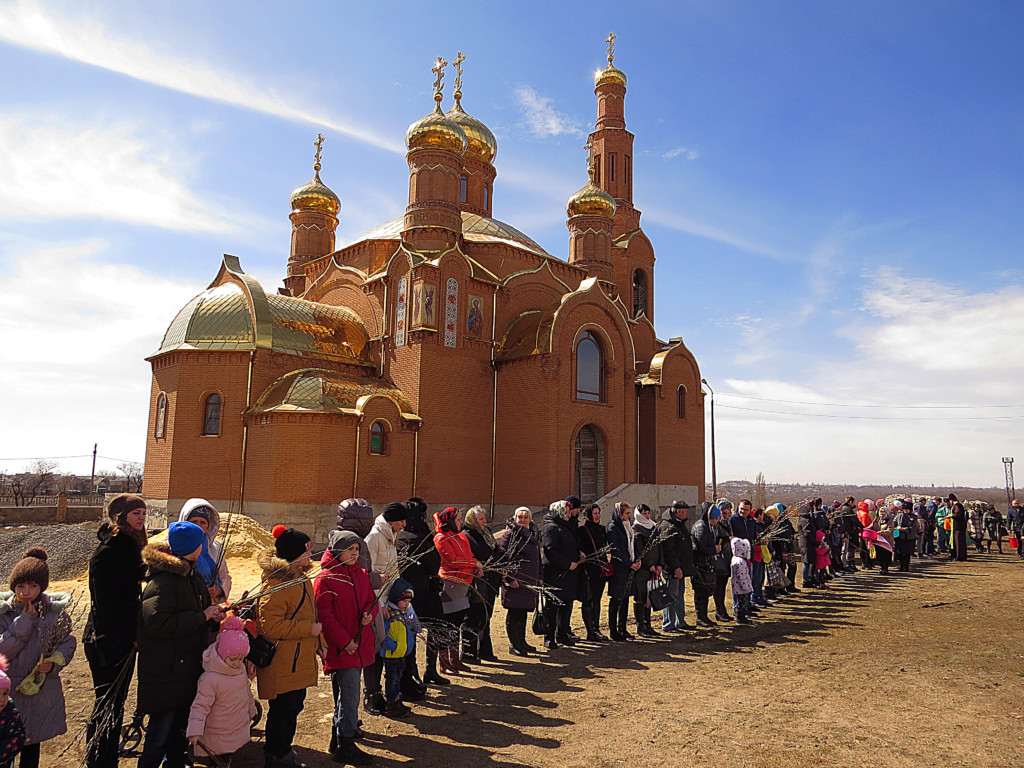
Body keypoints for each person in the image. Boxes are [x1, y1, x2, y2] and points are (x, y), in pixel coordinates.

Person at [136, 522, 222, 768]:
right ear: (194, 547)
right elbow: (157, 624)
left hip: (186, 669)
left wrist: (212, 615)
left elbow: (196, 612)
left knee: (179, 735)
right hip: (167, 672)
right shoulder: (163, 581)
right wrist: (201, 617)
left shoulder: (190, 576)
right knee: (158, 737)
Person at [82, 493, 147, 768]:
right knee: (107, 702)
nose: (142, 518)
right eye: (136, 514)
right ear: (120, 517)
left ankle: (103, 757)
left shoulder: (129, 546)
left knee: (112, 702)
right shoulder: (111, 551)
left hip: (117, 636)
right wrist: (129, 635)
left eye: (144, 513)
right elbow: (107, 605)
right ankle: (100, 760)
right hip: (107, 639)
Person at [0, 549, 76, 768]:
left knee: (32, 741)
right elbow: (3, 650)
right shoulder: (4, 613)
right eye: (21, 586)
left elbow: (68, 641)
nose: (27, 591)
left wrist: (54, 661)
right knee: (6, 742)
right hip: (8, 688)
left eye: (33, 586)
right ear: (13, 586)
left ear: (41, 587)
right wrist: (25, 620)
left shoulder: (54, 612)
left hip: (39, 689)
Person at [255, 526, 320, 768]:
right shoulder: (277, 584)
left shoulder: (302, 579)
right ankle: (275, 754)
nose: (310, 556)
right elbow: (270, 627)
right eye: (305, 551)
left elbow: (311, 615)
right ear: (294, 554)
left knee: (295, 705)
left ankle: (283, 749)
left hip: (299, 657)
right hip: (283, 660)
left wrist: (319, 643)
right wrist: (308, 630)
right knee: (282, 710)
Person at [316, 529, 377, 766]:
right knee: (349, 696)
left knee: (346, 695)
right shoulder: (326, 579)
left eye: (356, 550)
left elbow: (371, 599)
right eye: (350, 550)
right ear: (338, 551)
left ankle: (338, 738)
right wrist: (345, 642)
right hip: (343, 648)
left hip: (360, 643)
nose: (354, 554)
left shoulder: (361, 574)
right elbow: (325, 617)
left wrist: (369, 615)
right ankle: (346, 744)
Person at [186, 616, 257, 767]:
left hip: (234, 726)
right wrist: (194, 730)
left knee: (226, 756)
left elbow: (247, 693)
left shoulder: (240, 670)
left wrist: (251, 711)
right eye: (233, 659)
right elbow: (200, 706)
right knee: (218, 759)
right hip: (217, 731)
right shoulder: (211, 678)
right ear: (222, 654)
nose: (237, 663)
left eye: (240, 659)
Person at [396, 498, 443, 690]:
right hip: (422, 591)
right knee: (434, 627)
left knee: (412, 632)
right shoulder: (420, 537)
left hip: (406, 591)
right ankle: (426, 671)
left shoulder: (398, 536)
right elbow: (434, 564)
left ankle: (416, 671)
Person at [364, 502, 406, 712]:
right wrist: (379, 605)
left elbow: (393, 570)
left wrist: (399, 596)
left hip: (389, 602)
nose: (404, 524)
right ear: (392, 520)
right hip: (376, 604)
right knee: (374, 649)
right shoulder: (374, 538)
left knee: (386, 648)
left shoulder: (391, 538)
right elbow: (369, 575)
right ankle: (370, 695)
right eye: (401, 520)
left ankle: (383, 692)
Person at [433, 507, 479, 671]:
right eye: (458, 519)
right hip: (450, 584)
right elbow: (453, 560)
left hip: (464, 584)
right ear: (450, 520)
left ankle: (455, 658)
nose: (461, 522)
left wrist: (475, 566)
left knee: (457, 622)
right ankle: (444, 661)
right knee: (448, 623)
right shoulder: (441, 538)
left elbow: (468, 556)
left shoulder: (461, 537)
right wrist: (474, 563)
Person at [498, 507, 542, 656]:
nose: (522, 520)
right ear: (515, 518)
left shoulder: (533, 534)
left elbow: (538, 558)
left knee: (523, 612)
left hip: (528, 580)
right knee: (514, 613)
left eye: (525, 517)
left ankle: (521, 641)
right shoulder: (509, 535)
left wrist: (540, 576)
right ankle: (513, 644)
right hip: (515, 581)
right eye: (520, 517)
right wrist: (509, 579)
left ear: (530, 519)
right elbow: (504, 558)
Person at [461, 506, 502, 661]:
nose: (484, 521)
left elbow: (495, 552)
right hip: (476, 584)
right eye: (481, 519)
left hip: (490, 582)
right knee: (472, 618)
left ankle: (485, 650)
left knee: (485, 618)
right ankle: (468, 652)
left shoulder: (486, 534)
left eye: (484, 518)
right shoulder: (466, 537)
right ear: (472, 520)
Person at [540, 499, 582, 648]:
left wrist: (579, 554)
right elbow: (550, 551)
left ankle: (562, 633)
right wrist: (566, 563)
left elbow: (571, 545)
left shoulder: (565, 527)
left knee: (566, 605)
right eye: (567, 511)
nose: (570, 514)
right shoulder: (551, 528)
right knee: (552, 607)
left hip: (569, 574)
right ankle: (549, 636)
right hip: (555, 574)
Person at [178, 498, 232, 602]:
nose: (198, 526)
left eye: (203, 522)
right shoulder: (173, 546)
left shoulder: (215, 548)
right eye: (193, 521)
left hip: (209, 605)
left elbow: (225, 576)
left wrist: (218, 590)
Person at [380, 579, 419, 719]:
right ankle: (392, 704)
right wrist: (393, 646)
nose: (406, 605)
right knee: (392, 678)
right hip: (392, 654)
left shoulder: (405, 613)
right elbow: (383, 634)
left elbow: (411, 628)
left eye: (408, 602)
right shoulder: (389, 613)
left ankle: (397, 700)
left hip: (402, 652)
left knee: (398, 677)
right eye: (404, 601)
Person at [659, 501, 696, 631]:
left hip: (681, 568)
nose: (686, 513)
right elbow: (669, 551)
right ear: (679, 512)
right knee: (671, 596)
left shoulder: (678, 524)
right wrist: (676, 567)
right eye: (685, 510)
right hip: (673, 570)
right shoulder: (668, 526)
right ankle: (669, 624)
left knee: (679, 595)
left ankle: (679, 621)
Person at [606, 502, 640, 641]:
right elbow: (616, 551)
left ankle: (623, 628)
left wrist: (637, 559)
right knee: (616, 599)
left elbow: (632, 545)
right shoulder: (613, 528)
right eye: (626, 513)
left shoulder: (628, 527)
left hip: (629, 568)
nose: (628, 516)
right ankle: (613, 631)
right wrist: (629, 563)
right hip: (619, 569)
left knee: (625, 598)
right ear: (620, 514)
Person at [575, 503, 609, 641]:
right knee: (589, 600)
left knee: (598, 600)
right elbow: (581, 549)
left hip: (600, 569)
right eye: (594, 513)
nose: (597, 516)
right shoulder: (582, 531)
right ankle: (590, 631)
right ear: (588, 515)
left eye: (598, 513)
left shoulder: (602, 529)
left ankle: (596, 628)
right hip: (589, 570)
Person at [631, 504, 662, 637]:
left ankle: (648, 624)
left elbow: (659, 546)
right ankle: (641, 626)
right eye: (644, 513)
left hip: (654, 569)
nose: (647, 516)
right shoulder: (636, 529)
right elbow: (639, 550)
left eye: (648, 513)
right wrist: (649, 564)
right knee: (641, 598)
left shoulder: (654, 527)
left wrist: (660, 564)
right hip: (642, 571)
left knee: (649, 598)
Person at [688, 503, 718, 627]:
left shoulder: (708, 526)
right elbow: (701, 548)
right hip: (700, 565)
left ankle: (704, 616)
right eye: (716, 517)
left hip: (705, 564)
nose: (718, 520)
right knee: (701, 592)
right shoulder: (702, 527)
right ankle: (700, 617)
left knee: (705, 592)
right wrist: (715, 549)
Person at [0, 655, 26, 768]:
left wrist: (3, 753)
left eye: (5, 694)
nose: (1, 699)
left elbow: (17, 737)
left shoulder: (11, 714)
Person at [711, 504, 733, 621]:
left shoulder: (728, 523)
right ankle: (719, 610)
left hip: (727, 557)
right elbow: (715, 539)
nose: (728, 512)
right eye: (726, 509)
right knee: (718, 586)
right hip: (719, 558)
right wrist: (726, 539)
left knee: (723, 586)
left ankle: (722, 609)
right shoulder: (716, 525)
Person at [730, 538, 754, 624]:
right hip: (740, 587)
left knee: (740, 602)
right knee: (741, 603)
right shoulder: (740, 562)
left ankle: (741, 616)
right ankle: (740, 618)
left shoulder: (736, 559)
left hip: (737, 586)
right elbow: (741, 576)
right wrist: (746, 587)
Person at [892, 502, 917, 572]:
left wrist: (906, 529)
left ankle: (906, 566)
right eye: (905, 509)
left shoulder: (913, 517)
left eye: (907, 509)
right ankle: (901, 565)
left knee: (907, 553)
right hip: (900, 537)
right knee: (900, 552)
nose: (906, 511)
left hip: (909, 538)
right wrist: (897, 527)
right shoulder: (899, 515)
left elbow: (914, 527)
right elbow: (893, 523)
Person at [949, 493, 968, 562]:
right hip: (959, 527)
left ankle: (959, 557)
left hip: (958, 527)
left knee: (958, 543)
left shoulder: (957, 506)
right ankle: (961, 556)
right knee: (960, 542)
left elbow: (957, 514)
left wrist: (951, 515)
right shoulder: (959, 505)